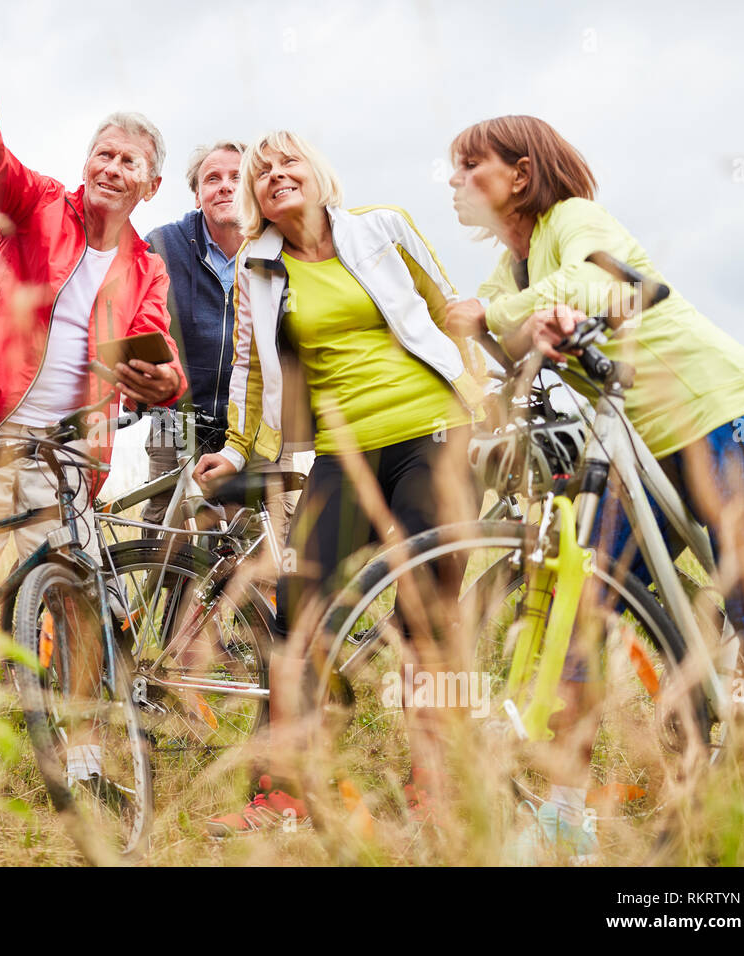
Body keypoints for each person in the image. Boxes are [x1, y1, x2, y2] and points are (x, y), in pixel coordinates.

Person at [444, 114, 744, 858]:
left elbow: (607, 281)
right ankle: (568, 813)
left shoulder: (574, 220)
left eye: (470, 166)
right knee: (581, 605)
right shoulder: (509, 273)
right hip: (641, 445)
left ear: (521, 175)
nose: (454, 181)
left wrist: (497, 317)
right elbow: (508, 344)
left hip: (723, 413)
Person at [194, 131, 485, 836]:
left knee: (426, 608)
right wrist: (236, 452)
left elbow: (450, 310)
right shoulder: (256, 271)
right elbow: (250, 374)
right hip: (340, 452)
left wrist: (480, 401)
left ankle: (437, 785)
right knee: (299, 609)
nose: (276, 174)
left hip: (430, 433)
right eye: (262, 173)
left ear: (321, 175)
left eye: (290, 161)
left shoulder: (384, 229)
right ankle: (285, 794)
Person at [0, 33, 186, 782]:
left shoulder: (147, 268)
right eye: (103, 152)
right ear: (86, 163)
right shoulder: (36, 205)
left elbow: (155, 350)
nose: (111, 167)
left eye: (128, 160)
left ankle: (85, 758)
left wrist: (161, 384)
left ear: (151, 185)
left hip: (67, 448)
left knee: (77, 596)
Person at [142, 141, 299, 540]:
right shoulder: (161, 246)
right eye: (213, 179)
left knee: (273, 544)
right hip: (175, 419)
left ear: (250, 187)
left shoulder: (281, 249)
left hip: (261, 418)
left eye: (235, 177)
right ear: (197, 194)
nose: (225, 187)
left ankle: (261, 601)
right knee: (168, 538)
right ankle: (168, 598)